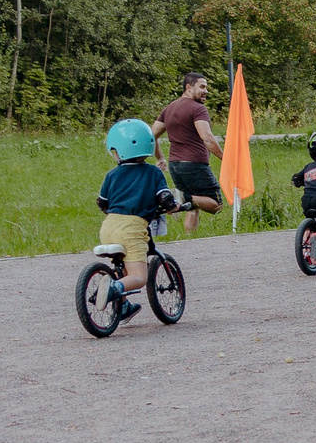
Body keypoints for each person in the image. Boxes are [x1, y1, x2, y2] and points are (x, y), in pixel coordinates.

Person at [95, 119, 181, 319]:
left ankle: (123, 306)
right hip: (132, 229)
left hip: (108, 226)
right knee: (139, 277)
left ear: (118, 151)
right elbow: (164, 197)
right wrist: (174, 206)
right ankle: (113, 288)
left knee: (122, 266)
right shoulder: (153, 172)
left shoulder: (112, 175)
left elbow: (102, 203)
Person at [153, 71, 226, 235]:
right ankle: (178, 197)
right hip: (194, 165)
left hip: (175, 165)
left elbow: (151, 137)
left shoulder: (169, 108)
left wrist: (160, 158)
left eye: (206, 87)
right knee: (216, 204)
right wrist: (225, 158)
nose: (206, 91)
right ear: (188, 87)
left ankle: (190, 238)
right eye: (202, 87)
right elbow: (207, 137)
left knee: (194, 206)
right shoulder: (197, 109)